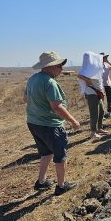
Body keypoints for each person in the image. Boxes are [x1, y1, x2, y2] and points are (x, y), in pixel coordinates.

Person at [24, 51, 80, 196]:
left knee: (46, 152)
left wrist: (38, 107)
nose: (61, 69)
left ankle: (41, 182)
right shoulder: (50, 82)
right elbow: (57, 106)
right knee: (60, 156)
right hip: (50, 125)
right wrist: (73, 121)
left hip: (34, 122)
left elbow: (25, 99)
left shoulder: (32, 79)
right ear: (49, 66)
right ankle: (61, 186)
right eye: (59, 66)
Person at [78, 52, 108, 139]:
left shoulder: (93, 67)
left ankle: (99, 128)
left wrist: (101, 90)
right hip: (91, 93)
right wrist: (86, 80)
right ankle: (93, 132)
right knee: (94, 113)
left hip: (98, 92)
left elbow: (99, 80)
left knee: (101, 111)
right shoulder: (86, 68)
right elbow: (79, 75)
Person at [100, 52, 111, 119]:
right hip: (101, 84)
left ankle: (109, 113)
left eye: (106, 57)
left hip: (108, 84)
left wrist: (108, 61)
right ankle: (102, 114)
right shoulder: (97, 65)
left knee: (109, 99)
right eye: (104, 57)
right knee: (101, 99)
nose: (105, 58)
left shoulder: (106, 64)